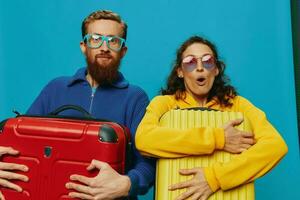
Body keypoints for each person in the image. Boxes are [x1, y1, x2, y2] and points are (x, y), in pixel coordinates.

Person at [0, 10, 155, 200]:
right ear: (84, 46)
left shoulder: (135, 98)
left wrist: (127, 184)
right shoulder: (56, 88)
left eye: (113, 41)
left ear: (123, 51)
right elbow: (21, 142)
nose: (104, 47)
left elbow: (148, 164)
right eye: (95, 39)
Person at [135, 36, 288, 200]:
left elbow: (276, 146)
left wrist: (215, 177)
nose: (200, 68)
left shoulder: (237, 105)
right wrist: (218, 138)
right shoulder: (164, 104)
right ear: (180, 71)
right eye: (190, 62)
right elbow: (144, 139)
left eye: (208, 61)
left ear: (216, 70)